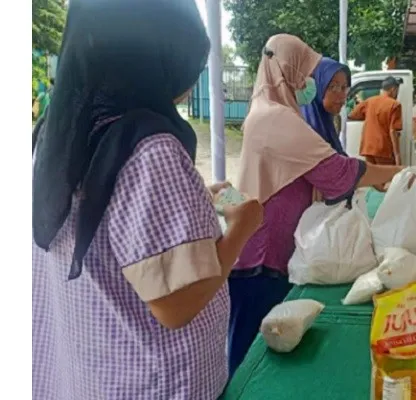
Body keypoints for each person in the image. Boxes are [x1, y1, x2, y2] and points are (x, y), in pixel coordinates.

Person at [32, 1, 263, 398]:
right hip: (153, 382)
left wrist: (192, 205)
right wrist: (241, 229)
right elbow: (176, 305)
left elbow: (112, 232)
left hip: (86, 372)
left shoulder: (57, 135)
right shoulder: (151, 149)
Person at [230, 34, 405, 374]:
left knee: (264, 349)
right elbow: (338, 173)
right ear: (286, 69)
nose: (307, 81)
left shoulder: (274, 111)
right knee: (251, 359)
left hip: (267, 250)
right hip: (261, 258)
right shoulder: (274, 118)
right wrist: (405, 171)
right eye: (303, 71)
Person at [349, 76, 404, 167]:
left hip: (368, 148)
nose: (397, 94)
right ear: (393, 89)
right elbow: (393, 131)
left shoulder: (369, 101)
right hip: (383, 149)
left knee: (373, 177)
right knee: (385, 178)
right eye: (397, 91)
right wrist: (397, 155)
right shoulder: (395, 105)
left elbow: (352, 115)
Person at [301, 57, 351, 154]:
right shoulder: (308, 133)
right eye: (333, 87)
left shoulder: (326, 123)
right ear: (317, 87)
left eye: (344, 87)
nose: (342, 96)